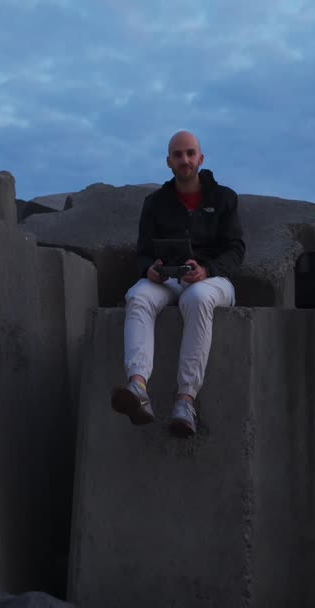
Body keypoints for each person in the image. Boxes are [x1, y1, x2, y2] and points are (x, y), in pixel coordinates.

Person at [110, 130, 245, 437]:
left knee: (196, 298)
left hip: (213, 281)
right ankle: (138, 387)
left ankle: (185, 401)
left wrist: (207, 269)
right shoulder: (155, 202)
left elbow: (237, 250)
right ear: (168, 162)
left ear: (200, 158)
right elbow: (142, 252)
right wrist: (150, 269)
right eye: (177, 155)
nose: (184, 160)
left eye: (189, 153)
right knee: (138, 296)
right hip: (168, 279)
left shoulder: (224, 198)